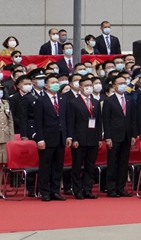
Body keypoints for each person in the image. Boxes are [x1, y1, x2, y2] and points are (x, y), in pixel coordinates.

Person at [30, 72, 67, 201]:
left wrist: (68, 136)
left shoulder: (62, 99)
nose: (56, 85)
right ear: (46, 86)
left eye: (57, 82)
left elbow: (65, 119)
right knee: (45, 167)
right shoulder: (41, 100)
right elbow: (38, 122)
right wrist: (40, 139)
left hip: (61, 138)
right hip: (46, 138)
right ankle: (44, 192)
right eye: (53, 83)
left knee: (58, 166)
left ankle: (55, 191)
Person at [65, 76, 103, 198]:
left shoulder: (96, 102)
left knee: (90, 166)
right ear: (80, 87)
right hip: (79, 139)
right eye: (86, 86)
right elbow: (71, 122)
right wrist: (73, 138)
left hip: (92, 138)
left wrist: (99, 138)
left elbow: (98, 122)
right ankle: (77, 190)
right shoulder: (73, 103)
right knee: (77, 166)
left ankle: (88, 189)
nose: (89, 88)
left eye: (90, 85)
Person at [101, 74, 134, 197]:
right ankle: (111, 188)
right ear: (114, 86)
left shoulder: (129, 99)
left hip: (126, 135)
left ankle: (121, 187)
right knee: (113, 162)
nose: (123, 85)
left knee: (123, 163)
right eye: (120, 83)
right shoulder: (109, 101)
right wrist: (108, 137)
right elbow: (106, 120)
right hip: (114, 136)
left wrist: (132, 135)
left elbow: (132, 119)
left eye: (124, 83)